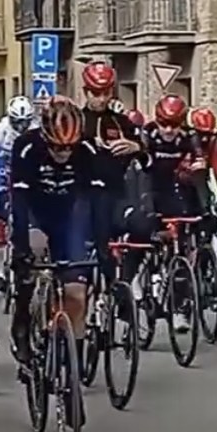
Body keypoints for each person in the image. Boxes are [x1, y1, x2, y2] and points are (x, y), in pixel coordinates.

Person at [8, 97, 95, 366]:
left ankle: (73, 358)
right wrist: (21, 246)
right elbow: (19, 202)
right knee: (31, 255)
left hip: (68, 217)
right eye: (57, 147)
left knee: (76, 293)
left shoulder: (87, 150)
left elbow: (94, 201)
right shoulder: (27, 147)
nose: (64, 153)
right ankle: (22, 322)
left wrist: (99, 243)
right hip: (35, 211)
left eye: (70, 147)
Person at [80, 62, 142, 285]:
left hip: (116, 191)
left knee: (142, 229)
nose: (101, 99)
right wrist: (85, 144)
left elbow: (147, 157)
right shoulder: (77, 120)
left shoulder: (121, 121)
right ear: (86, 92)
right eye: (96, 93)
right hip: (84, 192)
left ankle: (125, 283)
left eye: (106, 93)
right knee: (94, 242)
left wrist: (136, 147)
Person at [0, 96, 34, 224]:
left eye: (25, 123)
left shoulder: (35, 129)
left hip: (25, 169)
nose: (20, 127)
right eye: (17, 122)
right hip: (5, 167)